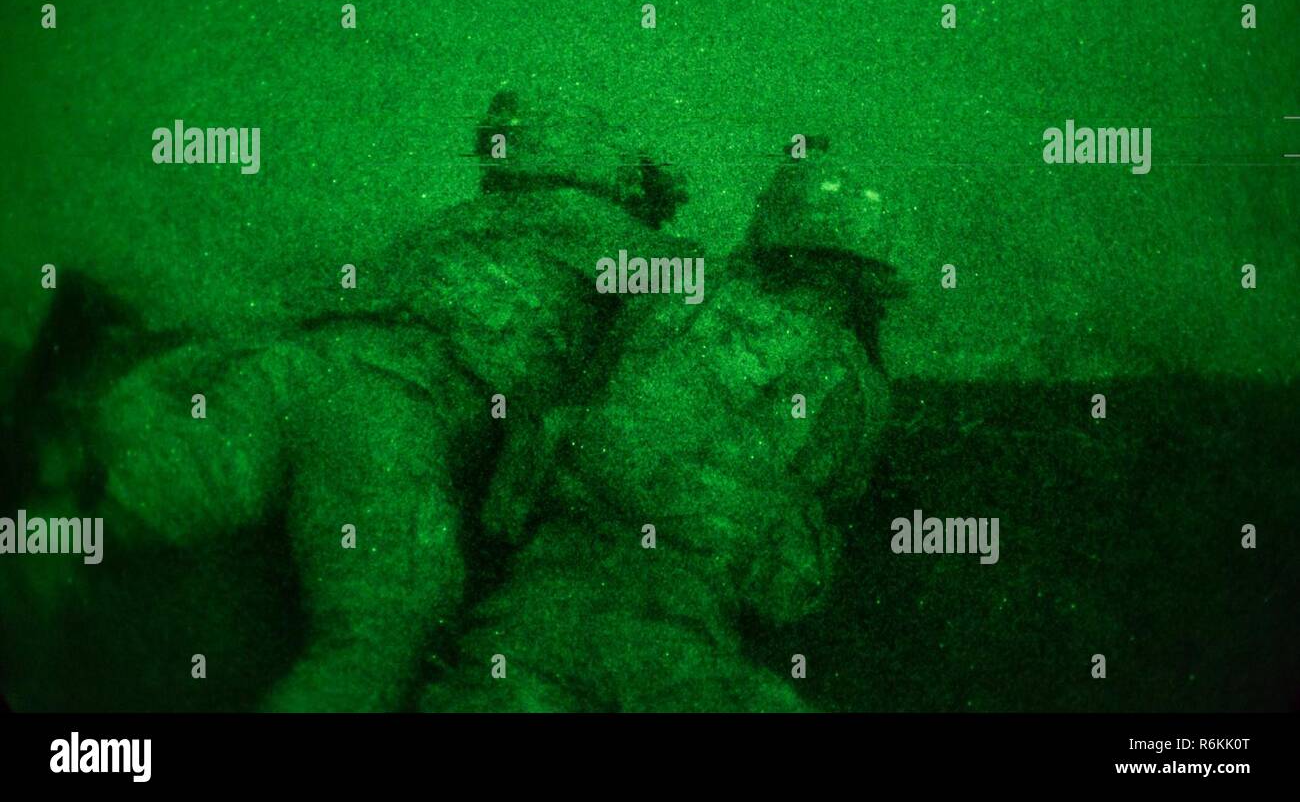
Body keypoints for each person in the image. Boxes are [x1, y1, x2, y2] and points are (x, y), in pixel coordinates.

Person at [0, 87, 690, 711]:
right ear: (605, 174)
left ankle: (52, 532)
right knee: (383, 630)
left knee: (176, 491)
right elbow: (695, 287)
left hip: (295, 365)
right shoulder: (602, 232)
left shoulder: (458, 224)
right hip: (390, 409)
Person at [425, 154, 907, 711]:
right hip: (677, 631)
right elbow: (792, 574)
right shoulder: (853, 384)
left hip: (536, 602)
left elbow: (550, 441)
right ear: (868, 276)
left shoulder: (670, 301)